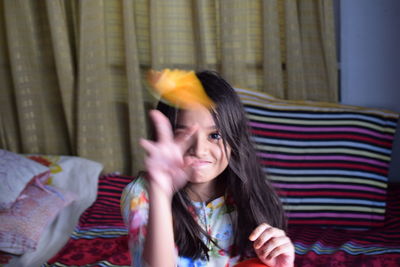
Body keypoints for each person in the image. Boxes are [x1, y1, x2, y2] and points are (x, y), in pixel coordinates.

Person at [121, 70, 295, 267]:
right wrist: (160, 190)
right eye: (183, 134)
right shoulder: (141, 194)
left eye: (215, 136)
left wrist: (281, 264)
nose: (199, 150)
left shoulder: (251, 196)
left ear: (234, 141)